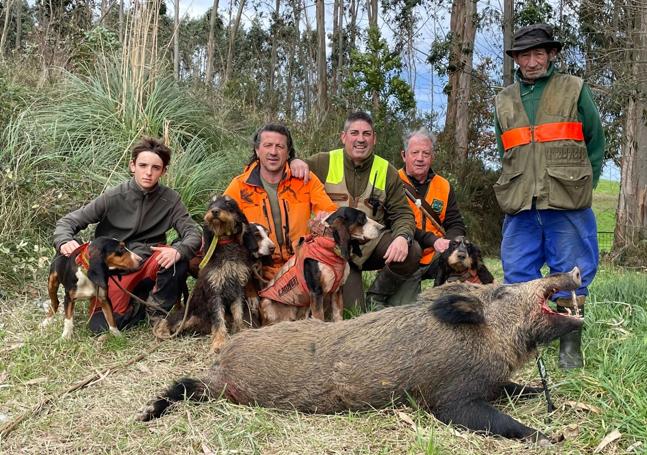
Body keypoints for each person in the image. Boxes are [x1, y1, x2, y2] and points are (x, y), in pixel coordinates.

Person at [494, 24, 605, 369]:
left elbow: (595, 141)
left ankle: (569, 352)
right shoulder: (504, 99)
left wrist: (582, 184)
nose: (531, 61)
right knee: (517, 276)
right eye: (524, 55)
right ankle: (525, 350)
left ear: (552, 54)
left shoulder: (574, 89)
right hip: (521, 205)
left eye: (538, 53)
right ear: (516, 59)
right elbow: (506, 151)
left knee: (570, 274)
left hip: (565, 201)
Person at [53, 137, 202, 333]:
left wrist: (178, 250)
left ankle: (156, 313)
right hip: (116, 266)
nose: (148, 172)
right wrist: (65, 240)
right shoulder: (113, 196)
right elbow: (68, 222)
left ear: (163, 171)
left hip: (149, 260)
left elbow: (193, 232)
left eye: (156, 168)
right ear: (133, 166)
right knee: (101, 327)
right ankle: (137, 304)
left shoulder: (171, 199)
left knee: (177, 260)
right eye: (143, 165)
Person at [304, 111, 421, 310]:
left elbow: (403, 214)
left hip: (371, 245)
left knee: (412, 250)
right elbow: (286, 170)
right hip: (334, 251)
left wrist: (403, 237)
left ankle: (377, 294)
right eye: (354, 133)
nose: (360, 139)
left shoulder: (387, 170)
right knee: (354, 312)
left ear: (374, 139)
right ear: (343, 137)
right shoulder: (322, 162)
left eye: (366, 134)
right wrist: (295, 162)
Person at [223, 123, 337, 281]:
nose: (273, 152)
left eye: (280, 146)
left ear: (288, 152)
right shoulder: (239, 186)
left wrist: (321, 225)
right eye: (267, 145)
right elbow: (222, 225)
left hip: (300, 265)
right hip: (257, 268)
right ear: (257, 150)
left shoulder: (305, 180)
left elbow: (330, 214)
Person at [390, 127, 466, 303]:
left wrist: (450, 242)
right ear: (404, 155)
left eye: (426, 153)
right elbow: (392, 223)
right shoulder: (392, 181)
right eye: (414, 152)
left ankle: (444, 299)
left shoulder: (444, 185)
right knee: (405, 312)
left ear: (432, 157)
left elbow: (456, 223)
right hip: (406, 256)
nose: (420, 158)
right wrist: (433, 240)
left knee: (461, 252)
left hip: (436, 255)